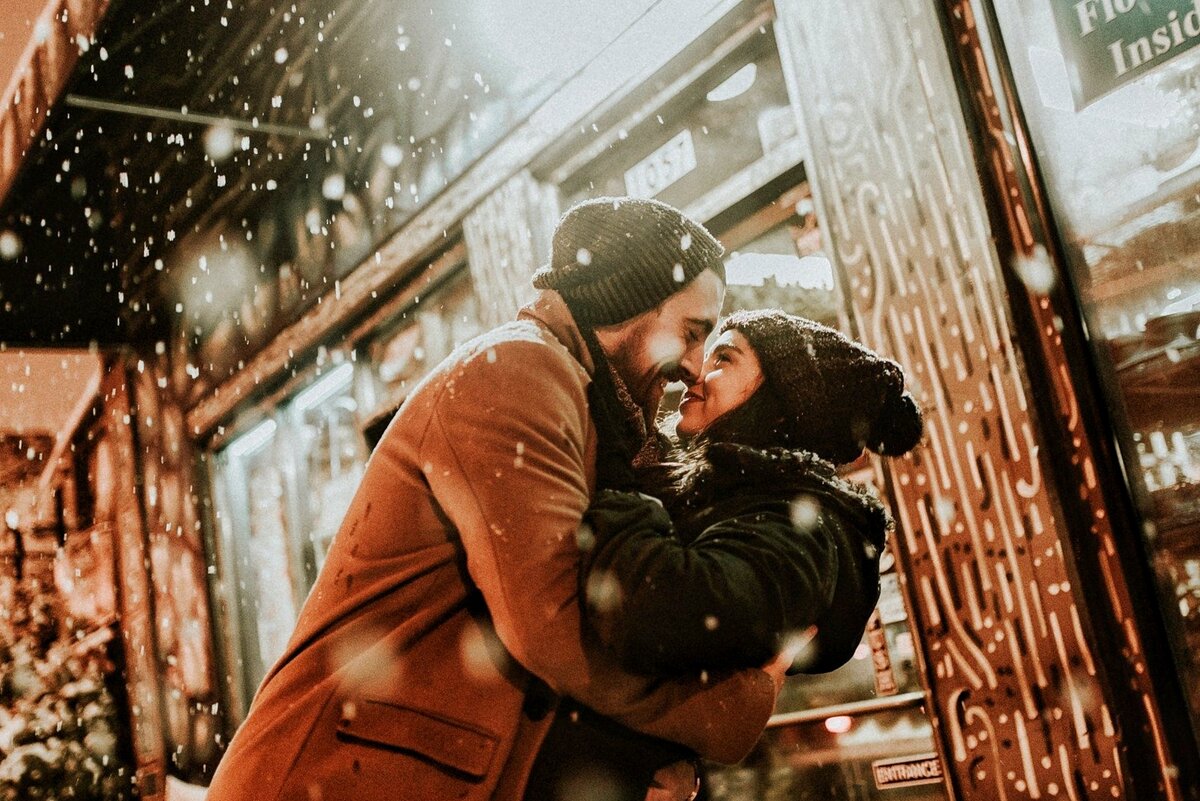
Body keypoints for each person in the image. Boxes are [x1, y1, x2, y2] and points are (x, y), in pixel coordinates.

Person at [206, 197, 783, 801]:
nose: (693, 366)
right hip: (323, 779)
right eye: (691, 333)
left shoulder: (591, 408)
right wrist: (729, 708)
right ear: (630, 302)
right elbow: (553, 627)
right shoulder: (517, 372)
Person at [524, 310, 923, 800]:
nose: (694, 372)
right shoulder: (730, 501)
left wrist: (620, 483)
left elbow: (661, 611)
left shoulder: (801, 527)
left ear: (779, 405)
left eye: (724, 359)